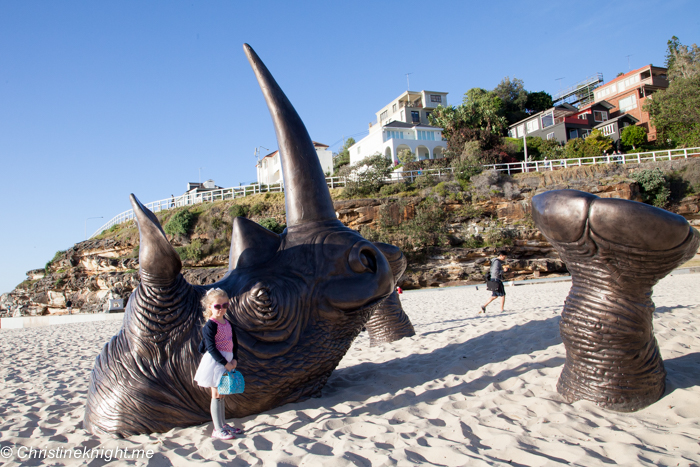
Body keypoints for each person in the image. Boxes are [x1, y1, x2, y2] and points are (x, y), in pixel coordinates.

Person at [194, 288, 243, 440]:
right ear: (210, 307)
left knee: (222, 394)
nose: (221, 309)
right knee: (216, 394)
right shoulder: (211, 325)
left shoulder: (227, 322)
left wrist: (234, 359)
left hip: (227, 361)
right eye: (217, 306)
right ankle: (217, 428)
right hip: (215, 362)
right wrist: (225, 363)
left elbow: (234, 343)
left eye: (225, 305)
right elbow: (211, 348)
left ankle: (223, 424)